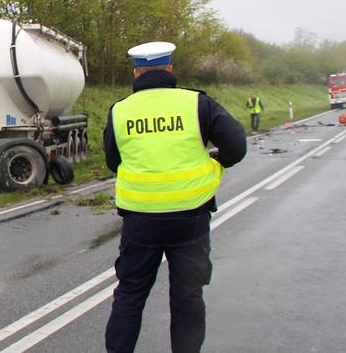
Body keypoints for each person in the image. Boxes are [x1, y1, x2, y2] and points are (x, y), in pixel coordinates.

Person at [103, 41, 247, 353]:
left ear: (136, 72)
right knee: (187, 296)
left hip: (139, 220)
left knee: (130, 294)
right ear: (170, 69)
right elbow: (236, 145)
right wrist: (215, 161)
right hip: (189, 218)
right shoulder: (197, 104)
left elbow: (113, 161)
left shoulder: (120, 111)